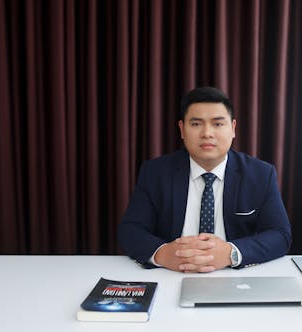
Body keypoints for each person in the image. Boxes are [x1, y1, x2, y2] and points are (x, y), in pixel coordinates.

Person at [118, 86, 292, 273]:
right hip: (172, 273)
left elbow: (280, 235)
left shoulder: (260, 174)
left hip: (234, 276)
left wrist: (231, 253)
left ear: (233, 128)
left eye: (217, 124)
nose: (207, 133)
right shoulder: (155, 172)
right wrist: (162, 254)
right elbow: (131, 229)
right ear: (182, 129)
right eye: (196, 124)